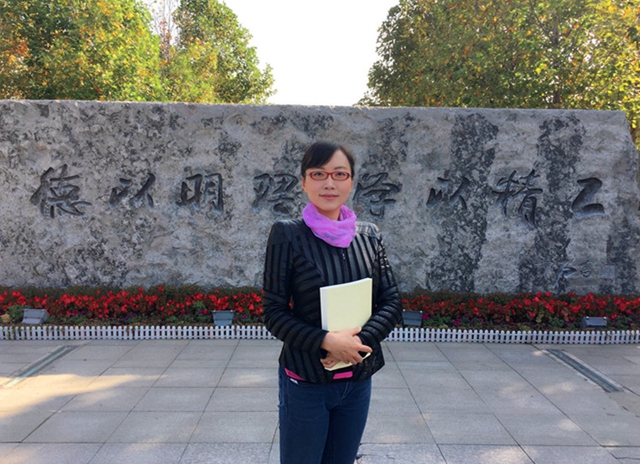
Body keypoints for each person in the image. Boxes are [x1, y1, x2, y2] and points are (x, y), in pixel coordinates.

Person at [262, 141, 402, 464]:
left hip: (357, 380)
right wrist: (326, 341)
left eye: (339, 174)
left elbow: (392, 301)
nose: (329, 183)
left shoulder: (369, 237)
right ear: (303, 181)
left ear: (351, 182)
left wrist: (356, 344)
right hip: (306, 382)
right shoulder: (287, 236)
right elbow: (273, 312)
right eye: (318, 174)